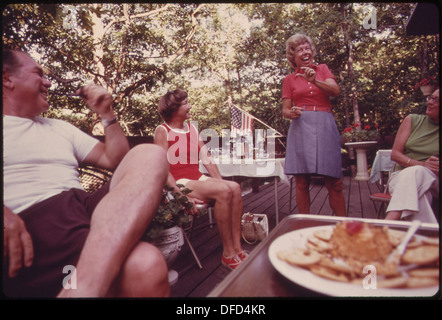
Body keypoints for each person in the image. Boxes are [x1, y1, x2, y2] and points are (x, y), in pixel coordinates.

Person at [2, 49, 170, 298]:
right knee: (145, 265)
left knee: (150, 154)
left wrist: (106, 113)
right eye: (38, 73)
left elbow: (115, 159)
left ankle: (85, 288)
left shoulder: (59, 128)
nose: (48, 81)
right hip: (34, 225)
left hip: (90, 215)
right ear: (6, 78)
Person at [154, 89, 247, 270]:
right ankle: (228, 254)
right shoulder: (162, 131)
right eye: (185, 104)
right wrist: (181, 196)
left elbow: (207, 159)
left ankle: (237, 248)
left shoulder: (192, 128)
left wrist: (221, 181)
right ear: (174, 109)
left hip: (197, 178)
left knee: (234, 187)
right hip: (179, 182)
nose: (190, 106)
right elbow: (162, 169)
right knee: (223, 191)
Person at [281, 33, 346, 216]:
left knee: (334, 181)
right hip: (301, 127)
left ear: (312, 52)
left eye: (307, 48)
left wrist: (314, 80)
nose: (305, 51)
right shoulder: (289, 80)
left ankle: (343, 226)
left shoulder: (323, 69)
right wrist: (291, 113)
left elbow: (335, 91)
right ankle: (305, 223)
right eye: (299, 49)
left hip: (325, 124)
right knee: (301, 182)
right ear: (293, 57)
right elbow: (285, 111)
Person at [385, 89, 439, 223]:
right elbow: (395, 155)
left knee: (418, 173)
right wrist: (422, 164)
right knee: (421, 194)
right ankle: (428, 237)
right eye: (431, 98)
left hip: (434, 180)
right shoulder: (413, 120)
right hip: (400, 178)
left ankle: (387, 224)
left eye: (436, 100)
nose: (430, 102)